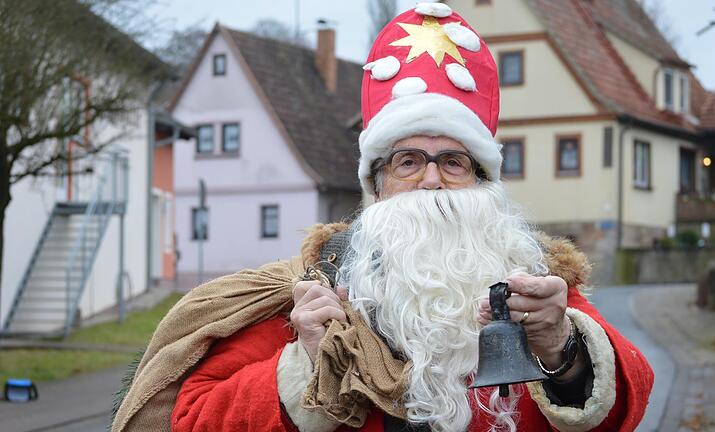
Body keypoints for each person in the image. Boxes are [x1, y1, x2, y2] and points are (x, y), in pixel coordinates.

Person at [112, 4, 652, 432]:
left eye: (454, 161)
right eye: (408, 161)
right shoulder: (312, 290)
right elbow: (192, 420)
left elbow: (627, 401)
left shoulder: (532, 283)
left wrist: (563, 349)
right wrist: (304, 365)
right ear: (376, 186)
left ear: (484, 183)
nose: (432, 180)